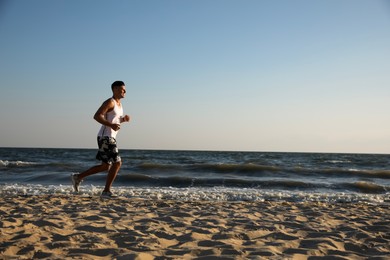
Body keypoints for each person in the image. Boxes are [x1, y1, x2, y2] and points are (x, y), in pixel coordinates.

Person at [71, 81, 130, 197]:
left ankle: (78, 177)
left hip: (110, 137)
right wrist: (111, 125)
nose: (125, 92)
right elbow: (97, 116)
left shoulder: (119, 105)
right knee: (117, 163)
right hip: (105, 137)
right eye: (123, 89)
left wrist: (123, 120)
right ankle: (106, 191)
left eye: (125, 90)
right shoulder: (110, 102)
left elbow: (114, 120)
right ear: (115, 89)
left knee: (105, 166)